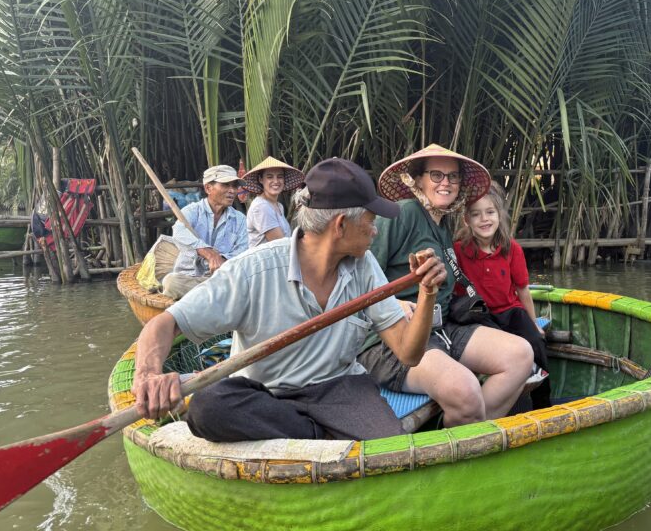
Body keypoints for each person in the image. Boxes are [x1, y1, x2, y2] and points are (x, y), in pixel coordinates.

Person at [132, 158, 447, 442]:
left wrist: (427, 291)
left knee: (390, 450)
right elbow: (165, 323)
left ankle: (310, 435)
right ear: (341, 225)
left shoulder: (363, 266)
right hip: (268, 397)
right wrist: (148, 375)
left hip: (340, 389)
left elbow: (408, 353)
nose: (375, 231)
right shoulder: (254, 269)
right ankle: (314, 433)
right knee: (207, 408)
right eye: (370, 220)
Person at [358, 144, 534, 427]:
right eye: (436, 175)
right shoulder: (402, 214)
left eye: (452, 177)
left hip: (440, 327)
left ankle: (469, 431)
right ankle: (468, 430)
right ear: (418, 180)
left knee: (521, 355)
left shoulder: (442, 224)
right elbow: (357, 272)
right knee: (465, 390)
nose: (446, 183)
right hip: (392, 337)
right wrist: (396, 303)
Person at [454, 182, 551, 409]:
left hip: (510, 310)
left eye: (490, 212)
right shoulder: (459, 250)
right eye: (476, 215)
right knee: (500, 350)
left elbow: (522, 290)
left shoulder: (512, 248)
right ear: (466, 221)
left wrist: (534, 322)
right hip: (479, 315)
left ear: (499, 215)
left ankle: (543, 403)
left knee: (536, 341)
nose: (484, 219)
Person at [161, 164, 249, 299]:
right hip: (190, 278)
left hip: (222, 279)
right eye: (226, 185)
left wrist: (222, 260)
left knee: (244, 284)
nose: (232, 191)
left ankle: (209, 294)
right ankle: (212, 295)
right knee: (171, 282)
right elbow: (179, 232)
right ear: (208, 188)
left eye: (234, 186)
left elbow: (242, 250)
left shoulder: (240, 219)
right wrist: (208, 253)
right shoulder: (192, 211)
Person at [243, 156, 305, 247]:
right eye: (270, 177)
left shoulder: (279, 206)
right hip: (265, 260)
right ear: (261, 179)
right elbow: (280, 244)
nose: (276, 181)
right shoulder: (261, 206)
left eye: (280, 177)